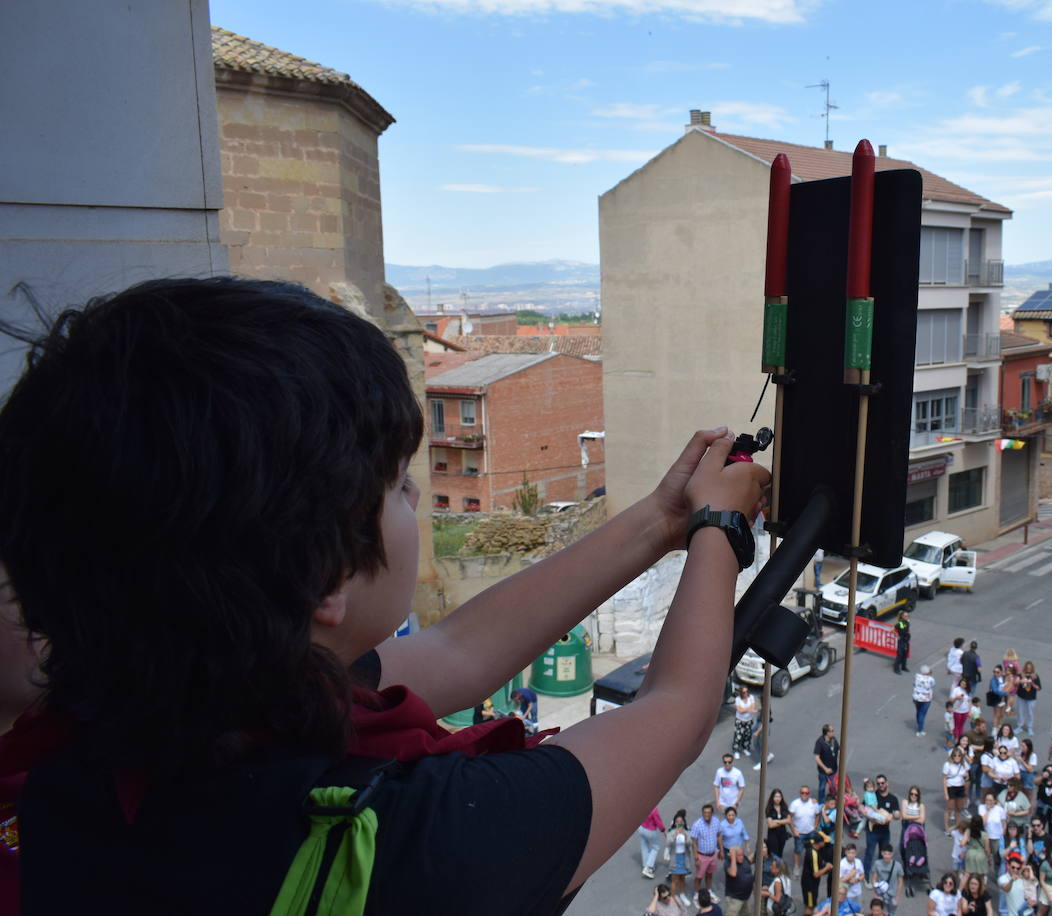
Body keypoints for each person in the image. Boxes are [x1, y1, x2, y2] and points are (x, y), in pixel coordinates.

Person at [0, 279, 772, 913]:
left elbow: (456, 650)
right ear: (328, 575)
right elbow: (672, 708)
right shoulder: (406, 841)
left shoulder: (101, 752)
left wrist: (664, 518)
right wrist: (720, 531)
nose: (414, 499)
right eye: (400, 486)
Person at [863, 775, 900, 877]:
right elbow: (862, 806)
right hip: (872, 831)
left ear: (887, 783)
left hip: (885, 832)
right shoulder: (872, 794)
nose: (880, 785)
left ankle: (878, 875)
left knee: (883, 854)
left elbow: (897, 813)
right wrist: (867, 815)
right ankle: (866, 875)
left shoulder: (893, 798)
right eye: (878, 783)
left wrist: (894, 815)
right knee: (869, 854)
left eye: (882, 783)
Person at [691, 803, 726, 898]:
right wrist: (696, 858)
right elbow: (693, 843)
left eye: (708, 813)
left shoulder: (716, 822)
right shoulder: (697, 824)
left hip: (713, 854)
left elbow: (719, 836)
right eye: (704, 813)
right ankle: (697, 893)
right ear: (702, 813)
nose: (706, 815)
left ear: (712, 813)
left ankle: (709, 890)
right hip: (702, 856)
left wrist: (721, 850)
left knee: (710, 874)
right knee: (699, 876)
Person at [790, 786, 822, 872]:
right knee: (798, 850)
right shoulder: (794, 804)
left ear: (809, 794)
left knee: (812, 849)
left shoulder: (814, 803)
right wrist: (793, 830)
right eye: (802, 793)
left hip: (811, 831)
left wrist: (815, 826)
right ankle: (796, 867)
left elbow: (817, 815)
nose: (804, 794)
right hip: (799, 833)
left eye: (806, 793)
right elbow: (789, 818)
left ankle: (811, 865)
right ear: (800, 793)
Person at [723, 844, 755, 916]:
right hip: (735, 898)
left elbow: (750, 860)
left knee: (745, 914)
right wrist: (733, 857)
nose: (741, 857)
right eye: (739, 855)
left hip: (747, 896)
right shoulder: (728, 863)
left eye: (742, 855)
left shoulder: (744, 859)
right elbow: (733, 873)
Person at [815, 724, 840, 803]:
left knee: (834, 787)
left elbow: (838, 750)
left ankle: (833, 802)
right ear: (827, 733)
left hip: (833, 769)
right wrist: (825, 769)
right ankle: (821, 803)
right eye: (831, 731)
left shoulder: (834, 740)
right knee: (822, 788)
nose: (833, 732)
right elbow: (816, 757)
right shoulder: (820, 742)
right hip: (823, 771)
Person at [1017, 661, 1042, 736]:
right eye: (1027, 668)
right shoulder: (1021, 675)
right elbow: (1015, 683)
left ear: (1032, 668)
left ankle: (1029, 727)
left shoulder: (1035, 676)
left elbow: (1039, 688)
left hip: (1031, 698)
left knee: (1030, 713)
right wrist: (1021, 681)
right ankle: (1020, 726)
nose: (1028, 669)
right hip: (1021, 696)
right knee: (1020, 712)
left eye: (1030, 668)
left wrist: (1032, 684)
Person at [641, 807, 668, 879]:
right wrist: (663, 831)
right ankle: (648, 868)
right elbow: (658, 821)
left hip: (641, 828)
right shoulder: (654, 809)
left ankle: (645, 864)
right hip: (650, 830)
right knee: (655, 847)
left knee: (644, 846)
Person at [733, 685, 759, 758]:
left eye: (747, 691)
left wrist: (745, 709)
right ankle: (736, 751)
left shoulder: (751, 697)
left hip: (749, 720)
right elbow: (739, 710)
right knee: (738, 736)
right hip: (740, 720)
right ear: (741, 693)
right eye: (744, 692)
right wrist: (748, 709)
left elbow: (753, 707)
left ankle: (745, 748)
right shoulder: (738, 699)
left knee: (747, 735)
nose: (746, 693)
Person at [914, 665, 936, 736]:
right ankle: (920, 730)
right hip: (926, 699)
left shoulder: (917, 676)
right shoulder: (931, 679)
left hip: (916, 698)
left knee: (918, 711)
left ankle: (919, 723)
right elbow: (933, 685)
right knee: (922, 714)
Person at [893, 610, 911, 675]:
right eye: (905, 616)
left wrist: (908, 633)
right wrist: (897, 635)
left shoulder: (908, 621)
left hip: (906, 640)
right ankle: (896, 669)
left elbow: (907, 629)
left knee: (905, 654)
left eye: (907, 615)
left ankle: (903, 667)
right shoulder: (900, 623)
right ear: (902, 616)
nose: (907, 617)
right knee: (899, 655)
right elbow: (892, 630)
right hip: (901, 641)